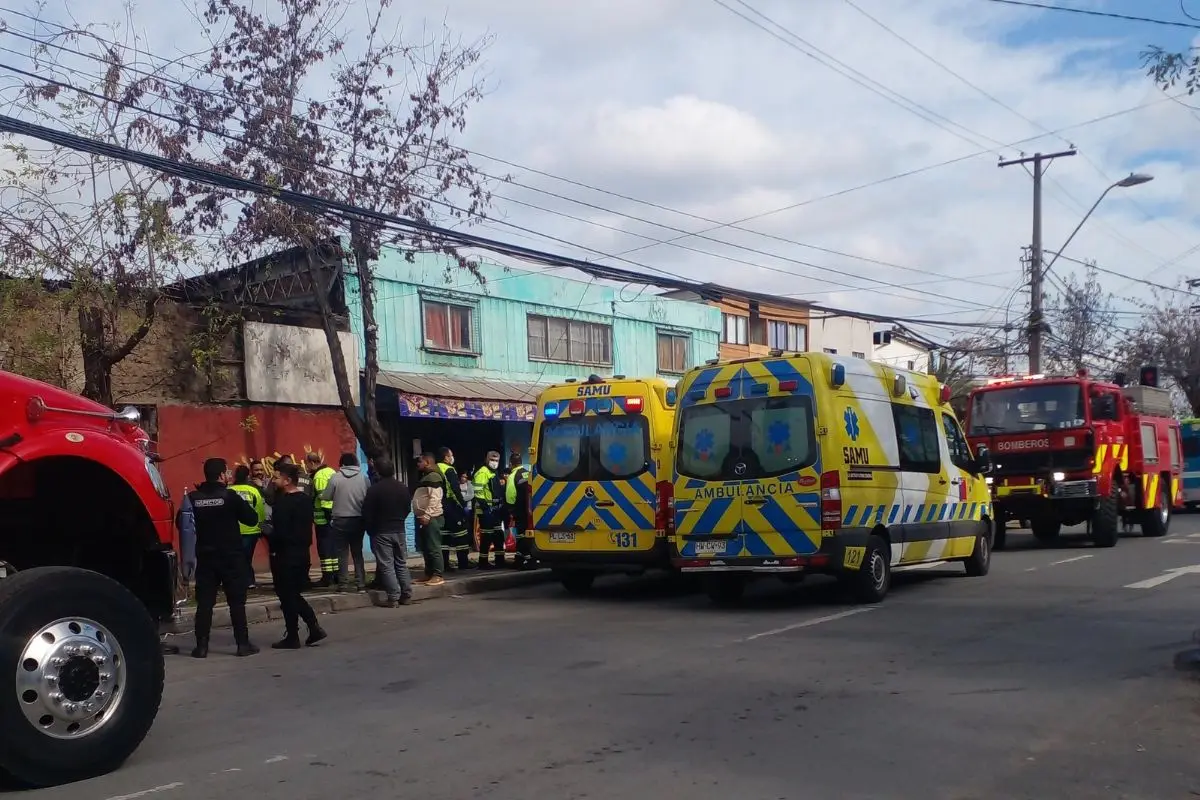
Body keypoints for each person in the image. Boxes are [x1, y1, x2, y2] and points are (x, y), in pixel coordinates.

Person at [190, 457, 260, 658]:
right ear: (221, 475)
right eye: (227, 471)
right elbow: (251, 518)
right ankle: (242, 644)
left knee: (204, 603)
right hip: (231, 557)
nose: (229, 474)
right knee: (236, 602)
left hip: (205, 557)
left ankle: (201, 646)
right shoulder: (230, 497)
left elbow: (183, 522)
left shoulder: (194, 498)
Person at [267, 462, 327, 649]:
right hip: (302, 554)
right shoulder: (305, 499)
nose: (272, 480)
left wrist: (269, 534)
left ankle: (307, 628)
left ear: (287, 481)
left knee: (288, 595)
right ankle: (300, 631)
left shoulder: (284, 503)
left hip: (285, 554)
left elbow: (281, 531)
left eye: (276, 477)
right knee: (291, 594)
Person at [362, 456, 414, 606]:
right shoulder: (402, 487)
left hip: (382, 531)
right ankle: (406, 594)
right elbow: (406, 508)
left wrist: (371, 529)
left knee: (387, 565)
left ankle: (393, 596)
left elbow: (367, 512)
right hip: (399, 529)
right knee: (401, 563)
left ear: (378, 471)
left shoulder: (374, 490)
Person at [322, 452, 370, 592]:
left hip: (340, 520)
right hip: (358, 519)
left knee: (341, 553)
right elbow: (368, 497)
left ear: (342, 464)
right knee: (357, 552)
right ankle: (361, 584)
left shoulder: (335, 478)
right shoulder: (364, 478)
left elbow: (326, 496)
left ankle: (343, 584)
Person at [230, 465, 267, 589]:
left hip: (234, 530)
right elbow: (260, 510)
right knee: (247, 557)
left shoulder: (229, 490)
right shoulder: (253, 490)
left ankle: (237, 581)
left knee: (236, 557)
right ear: (247, 476)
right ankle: (249, 581)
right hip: (251, 530)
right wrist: (261, 525)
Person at [412, 453, 446, 586]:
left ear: (427, 462)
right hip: (424, 518)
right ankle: (429, 573)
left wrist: (427, 515)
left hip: (432, 517)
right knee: (426, 547)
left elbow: (435, 498)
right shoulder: (425, 477)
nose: (418, 464)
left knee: (433, 546)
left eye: (420, 461)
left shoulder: (434, 477)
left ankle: (438, 574)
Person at [435, 447, 471, 570]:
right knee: (461, 534)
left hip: (439, 506)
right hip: (451, 505)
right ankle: (463, 564)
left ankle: (444, 564)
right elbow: (454, 489)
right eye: (451, 455)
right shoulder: (449, 469)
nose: (452, 457)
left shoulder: (435, 468)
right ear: (446, 457)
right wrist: (462, 505)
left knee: (444, 536)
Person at [307, 453, 338, 586]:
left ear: (312, 462)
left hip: (323, 519)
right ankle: (336, 575)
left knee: (324, 549)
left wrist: (327, 517)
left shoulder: (319, 476)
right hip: (334, 516)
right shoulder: (331, 471)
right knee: (333, 548)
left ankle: (327, 577)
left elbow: (323, 499)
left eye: (307, 463)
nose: (306, 467)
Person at [474, 450, 506, 569]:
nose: (494, 462)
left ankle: (500, 561)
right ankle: (483, 562)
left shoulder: (494, 472)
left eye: (496, 460)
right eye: (492, 460)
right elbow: (478, 492)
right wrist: (486, 507)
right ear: (487, 460)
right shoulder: (483, 473)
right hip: (486, 510)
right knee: (486, 536)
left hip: (496, 509)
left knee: (498, 535)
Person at [503, 452, 534, 570]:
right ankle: (521, 558)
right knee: (527, 533)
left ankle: (526, 558)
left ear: (511, 464)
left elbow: (510, 495)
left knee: (520, 534)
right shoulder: (528, 473)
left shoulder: (512, 476)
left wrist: (510, 509)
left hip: (520, 509)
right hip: (530, 508)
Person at [459, 471, 476, 551]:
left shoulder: (469, 484)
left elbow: (471, 495)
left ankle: (468, 541)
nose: (463, 478)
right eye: (462, 476)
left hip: (467, 507)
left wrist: (462, 500)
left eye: (465, 477)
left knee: (467, 524)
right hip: (458, 507)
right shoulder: (457, 483)